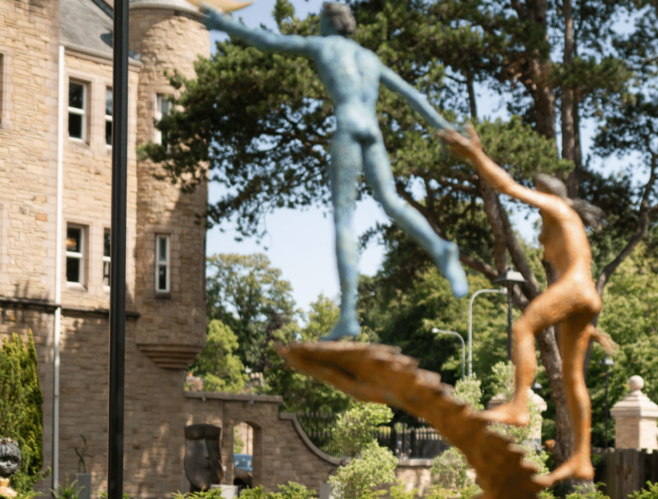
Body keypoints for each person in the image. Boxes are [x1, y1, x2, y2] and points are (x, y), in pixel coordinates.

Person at [199, 1, 468, 339]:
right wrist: (446, 128)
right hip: (372, 130)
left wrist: (226, 25)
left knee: (344, 218)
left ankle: (349, 314)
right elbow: (413, 96)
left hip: (347, 127)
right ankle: (441, 248)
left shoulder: (322, 45)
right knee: (392, 203)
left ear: (328, 23)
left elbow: (268, 41)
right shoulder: (370, 59)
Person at [438, 123, 609, 483]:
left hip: (575, 287)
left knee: (523, 327)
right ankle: (581, 458)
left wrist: (476, 156)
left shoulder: (558, 209)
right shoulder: (569, 221)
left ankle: (519, 405)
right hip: (587, 295)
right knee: (574, 378)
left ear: (548, 193)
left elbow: (507, 186)